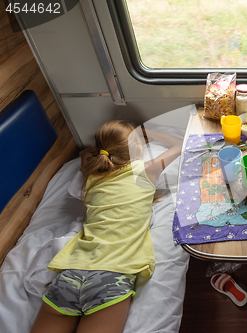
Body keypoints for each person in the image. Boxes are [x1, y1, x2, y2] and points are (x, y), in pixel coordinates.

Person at [30, 120, 183, 333]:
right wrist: (147, 132)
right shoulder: (145, 171)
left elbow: (85, 154)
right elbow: (178, 145)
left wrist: (107, 146)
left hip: (71, 273)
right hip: (112, 275)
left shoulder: (91, 174)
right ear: (136, 149)